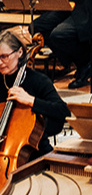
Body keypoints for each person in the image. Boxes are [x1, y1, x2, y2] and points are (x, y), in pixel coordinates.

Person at [0, 29, 69, 158]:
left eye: (4, 56)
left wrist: (31, 100)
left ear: (19, 52)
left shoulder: (38, 80)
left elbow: (63, 111)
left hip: (34, 156)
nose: (0, 62)